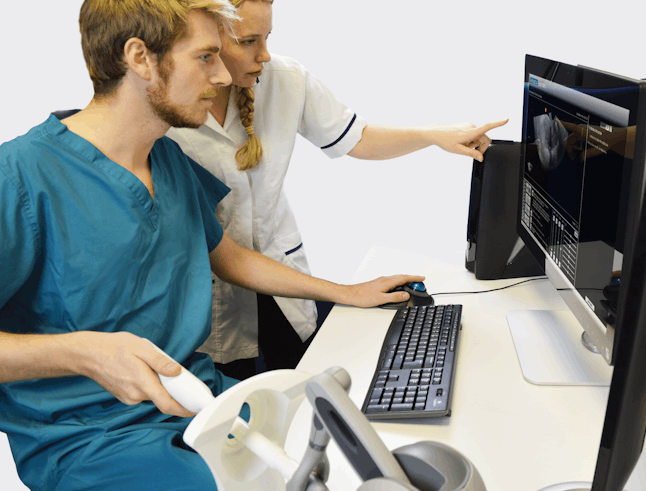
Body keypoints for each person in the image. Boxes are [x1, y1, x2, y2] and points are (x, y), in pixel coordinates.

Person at [0, 1, 421, 490]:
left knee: (367, 446)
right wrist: (85, 353)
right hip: (92, 436)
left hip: (202, 399)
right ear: (140, 58)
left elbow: (230, 257)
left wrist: (345, 293)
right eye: (205, 57)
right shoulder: (21, 177)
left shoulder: (168, 160)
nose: (223, 76)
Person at [166, 0, 507, 380]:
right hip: (210, 297)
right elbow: (226, 258)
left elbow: (356, 138)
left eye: (267, 38)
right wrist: (344, 292)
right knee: (234, 399)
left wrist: (433, 136)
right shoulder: (167, 107)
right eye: (247, 41)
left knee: (300, 384)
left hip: (283, 280)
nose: (264, 55)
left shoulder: (285, 78)